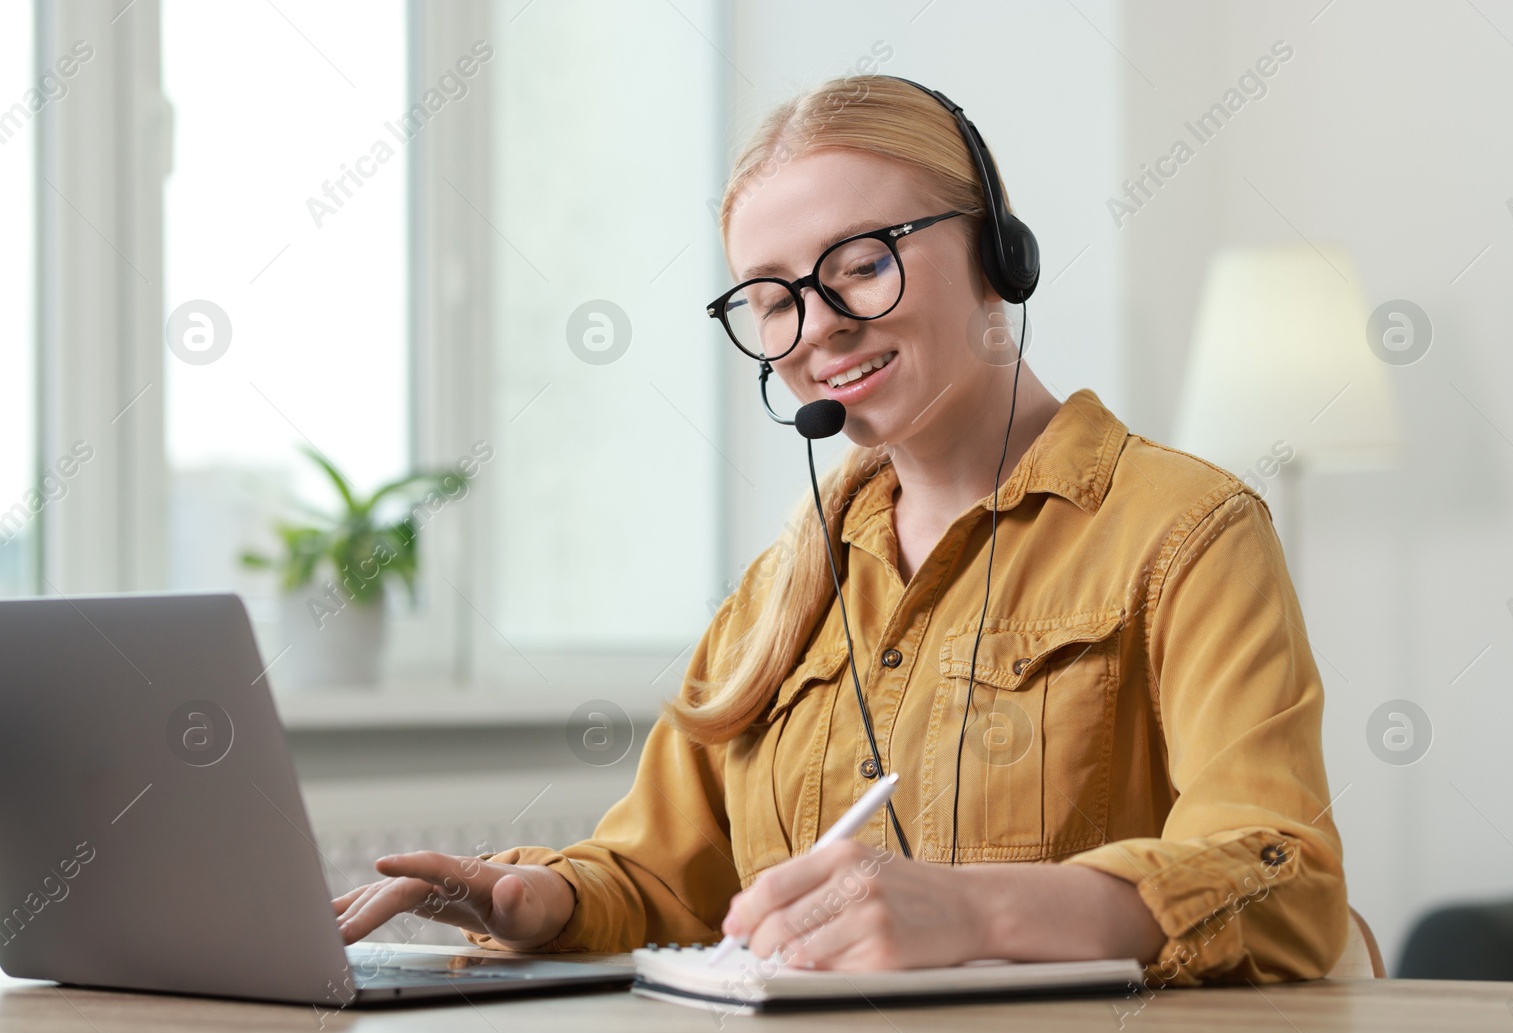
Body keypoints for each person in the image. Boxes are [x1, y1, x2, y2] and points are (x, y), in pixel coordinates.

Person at [332, 75, 1347, 984]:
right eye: (771, 301)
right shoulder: (784, 586)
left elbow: (1284, 882)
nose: (815, 327)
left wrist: (980, 908)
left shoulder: (1184, 532)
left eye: (859, 265)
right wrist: (532, 899)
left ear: (998, 250)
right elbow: (660, 878)